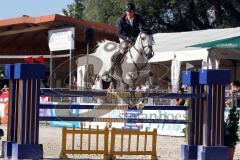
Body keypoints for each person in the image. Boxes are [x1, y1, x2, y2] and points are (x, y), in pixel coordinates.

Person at [109, 2, 146, 75]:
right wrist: (127, 39)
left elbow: (144, 27)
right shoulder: (121, 20)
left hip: (136, 38)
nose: (128, 13)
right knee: (123, 49)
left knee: (144, 48)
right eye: (127, 11)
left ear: (133, 11)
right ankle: (112, 67)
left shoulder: (139, 18)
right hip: (124, 37)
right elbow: (119, 33)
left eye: (130, 11)